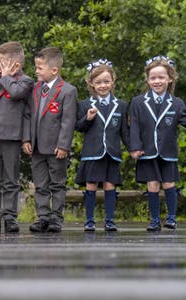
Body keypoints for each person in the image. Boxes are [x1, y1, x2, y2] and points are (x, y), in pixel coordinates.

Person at [0, 41, 33, 233]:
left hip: (11, 138)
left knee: (10, 179)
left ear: (15, 65)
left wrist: (7, 77)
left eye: (1, 62)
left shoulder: (25, 81)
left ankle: (10, 216)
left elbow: (16, 93)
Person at [22, 47, 77, 233]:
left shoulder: (68, 91)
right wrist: (26, 139)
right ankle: (42, 217)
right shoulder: (35, 89)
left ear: (54, 70)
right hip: (36, 147)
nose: (36, 71)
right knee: (40, 184)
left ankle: (56, 218)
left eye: (39, 68)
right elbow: (28, 115)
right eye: (36, 67)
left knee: (57, 184)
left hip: (56, 148)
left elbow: (68, 121)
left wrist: (63, 145)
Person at [129, 56, 186, 231]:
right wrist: (134, 147)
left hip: (167, 151)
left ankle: (171, 218)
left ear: (170, 79)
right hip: (147, 151)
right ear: (147, 80)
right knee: (152, 184)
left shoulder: (177, 103)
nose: (157, 81)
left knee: (169, 184)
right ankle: (154, 220)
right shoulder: (138, 102)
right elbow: (135, 126)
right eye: (153, 78)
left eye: (161, 77)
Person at [75, 59, 130, 232]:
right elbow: (79, 127)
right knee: (90, 184)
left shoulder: (121, 105)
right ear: (91, 83)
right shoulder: (84, 104)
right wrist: (88, 118)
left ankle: (110, 220)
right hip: (92, 152)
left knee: (110, 185)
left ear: (113, 81)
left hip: (111, 152)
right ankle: (89, 220)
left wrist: (133, 149)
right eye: (98, 82)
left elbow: (125, 132)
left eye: (106, 81)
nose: (103, 85)